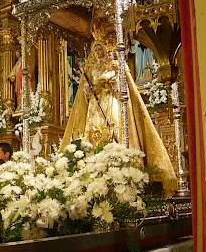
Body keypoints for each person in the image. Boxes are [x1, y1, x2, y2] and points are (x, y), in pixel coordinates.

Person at [60, 40, 177, 197]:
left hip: (110, 102)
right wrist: (88, 90)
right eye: (96, 50)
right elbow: (85, 93)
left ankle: (118, 162)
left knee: (114, 128)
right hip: (95, 106)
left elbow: (124, 88)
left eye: (101, 49)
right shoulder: (91, 68)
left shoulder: (116, 66)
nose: (99, 53)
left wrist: (115, 83)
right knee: (93, 136)